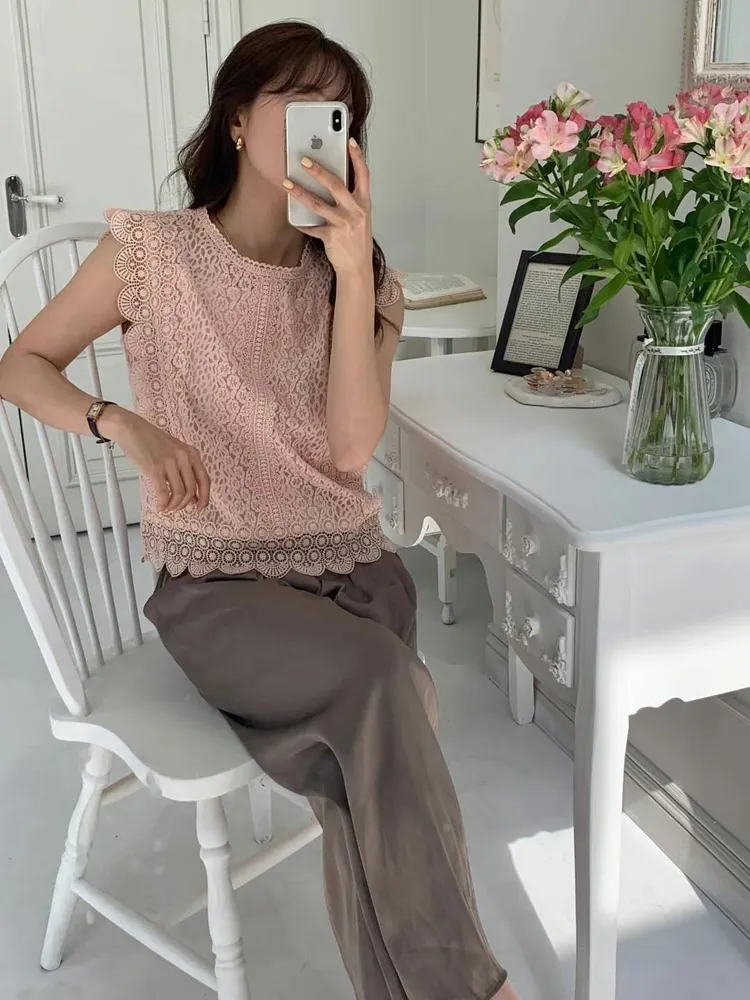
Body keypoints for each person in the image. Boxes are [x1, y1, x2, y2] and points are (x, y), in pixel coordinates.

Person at [0, 21, 520, 1000]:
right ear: (238, 120)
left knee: (363, 767)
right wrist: (121, 422)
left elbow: (350, 451)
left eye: (340, 113)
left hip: (354, 576)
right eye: (298, 102)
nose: (321, 125)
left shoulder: (360, 279)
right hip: (220, 589)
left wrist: (356, 274)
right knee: (384, 701)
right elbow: (19, 365)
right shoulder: (150, 254)